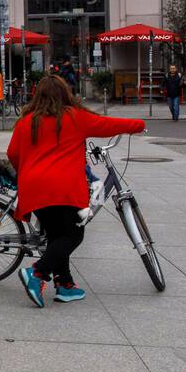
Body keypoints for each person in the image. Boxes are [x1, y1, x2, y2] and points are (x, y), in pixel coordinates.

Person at [9, 75, 145, 306]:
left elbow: (13, 153)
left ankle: (65, 285)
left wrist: (27, 171)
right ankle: (37, 273)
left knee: (56, 236)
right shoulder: (75, 117)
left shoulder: (26, 121)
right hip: (62, 188)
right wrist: (139, 125)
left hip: (33, 188)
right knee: (73, 234)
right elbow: (109, 125)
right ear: (65, 93)